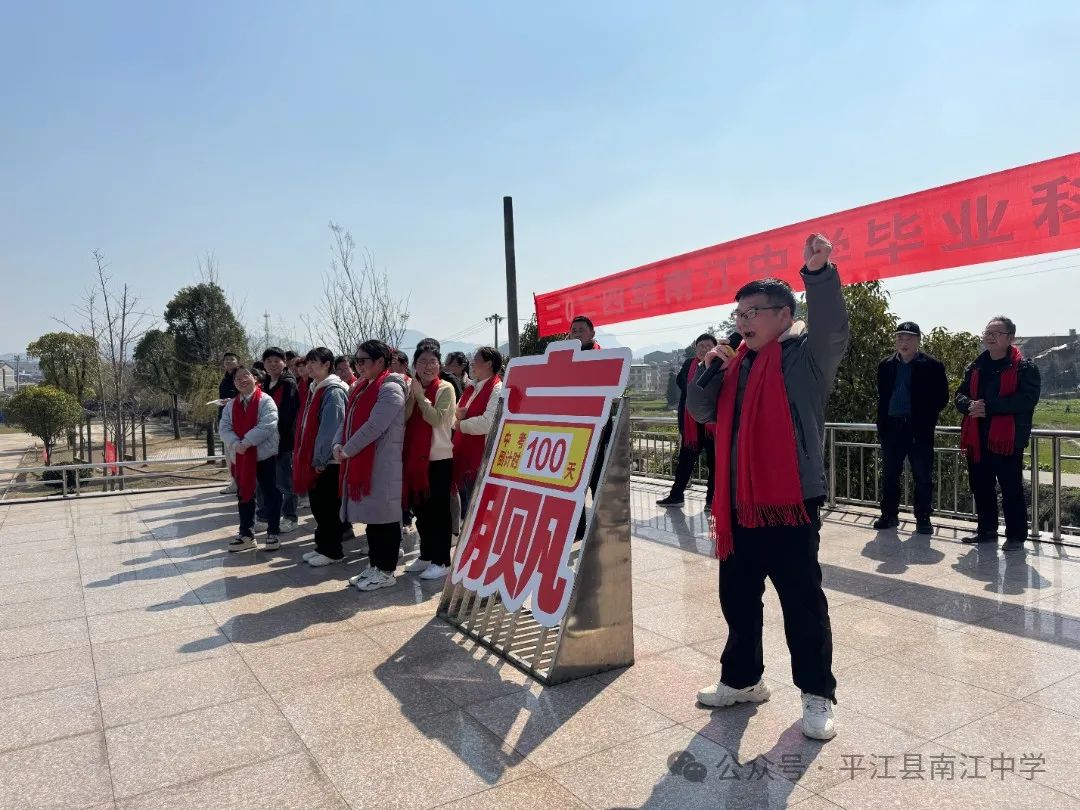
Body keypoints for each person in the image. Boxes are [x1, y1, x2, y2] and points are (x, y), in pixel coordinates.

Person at [686, 234, 849, 741]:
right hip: (737, 503)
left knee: (801, 602)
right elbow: (699, 410)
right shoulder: (733, 364)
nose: (744, 321)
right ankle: (742, 680)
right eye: (739, 313)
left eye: (754, 311)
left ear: (784, 315)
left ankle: (817, 695)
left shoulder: (807, 359)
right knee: (737, 598)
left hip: (790, 503)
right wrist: (710, 370)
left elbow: (833, 327)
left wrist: (819, 273)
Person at [956, 316, 1042, 549]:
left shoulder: (1024, 367)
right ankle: (986, 530)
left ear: (1011, 338)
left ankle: (1015, 536)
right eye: (987, 332)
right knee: (980, 486)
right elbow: (959, 396)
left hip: (1007, 440)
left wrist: (988, 408)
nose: (990, 337)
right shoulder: (975, 367)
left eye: (996, 333)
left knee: (1010, 488)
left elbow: (1027, 400)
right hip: (977, 438)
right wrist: (969, 406)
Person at [334, 340, 408, 591]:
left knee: (385, 519)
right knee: (373, 520)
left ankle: (387, 570)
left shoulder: (391, 388)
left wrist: (347, 450)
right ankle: (375, 565)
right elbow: (347, 422)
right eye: (356, 361)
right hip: (365, 462)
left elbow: (375, 426)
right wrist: (338, 444)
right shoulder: (362, 387)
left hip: (383, 465)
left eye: (363, 361)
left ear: (380, 362)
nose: (358, 365)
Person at [873, 322, 949, 534]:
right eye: (899, 338)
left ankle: (923, 518)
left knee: (922, 476)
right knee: (889, 475)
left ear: (917, 340)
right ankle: (888, 515)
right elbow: (882, 397)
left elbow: (942, 398)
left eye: (908, 338)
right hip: (892, 428)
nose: (903, 342)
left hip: (918, 430)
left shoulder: (932, 365)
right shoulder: (885, 365)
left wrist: (924, 418)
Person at [402, 342, 457, 580]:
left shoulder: (446, 388)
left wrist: (421, 397)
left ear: (440, 365)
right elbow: (403, 418)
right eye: (423, 361)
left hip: (438, 459)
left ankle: (442, 560)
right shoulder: (411, 388)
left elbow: (436, 419)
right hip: (415, 460)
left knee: (439, 512)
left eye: (433, 361)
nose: (428, 366)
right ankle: (426, 554)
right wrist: (413, 396)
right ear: (415, 365)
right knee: (421, 511)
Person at [294, 347, 349, 566]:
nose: (309, 366)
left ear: (327, 364)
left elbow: (330, 428)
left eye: (314, 362)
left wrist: (320, 458)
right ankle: (322, 545)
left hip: (329, 460)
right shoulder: (316, 387)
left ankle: (332, 550)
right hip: (318, 458)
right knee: (319, 506)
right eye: (308, 363)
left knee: (327, 507)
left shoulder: (333, 390)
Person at [219, 365, 281, 551]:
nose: (242, 380)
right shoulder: (231, 405)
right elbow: (224, 428)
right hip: (242, 457)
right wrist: (236, 444)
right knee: (244, 494)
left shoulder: (265, 400)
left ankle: (273, 532)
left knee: (270, 493)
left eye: (245, 375)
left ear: (255, 378)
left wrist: (246, 442)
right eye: (237, 378)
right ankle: (246, 534)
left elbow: (267, 425)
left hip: (264, 455)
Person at [657, 333, 720, 511]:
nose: (705, 349)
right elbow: (681, 383)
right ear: (695, 347)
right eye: (701, 346)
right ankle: (676, 496)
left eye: (709, 346)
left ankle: (711, 500)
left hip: (711, 425)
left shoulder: (720, 364)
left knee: (713, 464)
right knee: (685, 461)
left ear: (715, 347)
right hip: (691, 424)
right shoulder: (688, 364)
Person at [453, 346, 503, 514]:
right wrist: (457, 419)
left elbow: (487, 423)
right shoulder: (471, 387)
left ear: (489, 363)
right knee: (468, 505)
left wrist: (460, 423)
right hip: (463, 454)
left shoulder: (497, 388)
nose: (472, 363)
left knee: (479, 508)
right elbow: (452, 416)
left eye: (476, 360)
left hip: (481, 459)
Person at [260, 347, 300, 533]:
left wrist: (270, 430)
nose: (273, 364)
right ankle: (267, 514)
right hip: (266, 441)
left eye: (277, 361)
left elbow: (288, 415)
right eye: (269, 361)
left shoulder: (288, 384)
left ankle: (290, 516)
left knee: (286, 481)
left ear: (284, 363)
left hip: (283, 442)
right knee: (266, 481)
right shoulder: (265, 382)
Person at [218, 352, 241, 495]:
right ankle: (234, 482)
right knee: (228, 454)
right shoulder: (225, 379)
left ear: (237, 361)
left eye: (232, 359)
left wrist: (231, 401)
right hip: (225, 419)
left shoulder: (241, 377)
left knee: (236, 454)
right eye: (226, 360)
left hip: (237, 420)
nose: (228, 362)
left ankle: (239, 483)